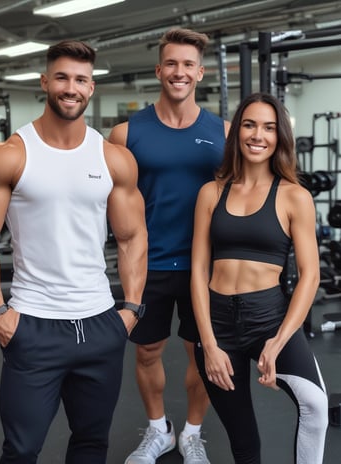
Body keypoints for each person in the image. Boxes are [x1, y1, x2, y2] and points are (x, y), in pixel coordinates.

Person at [0, 40, 148, 464]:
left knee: (91, 443)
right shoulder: (7, 155)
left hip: (102, 323)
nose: (71, 87)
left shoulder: (113, 159)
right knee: (22, 450)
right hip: (34, 327)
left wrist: (131, 309)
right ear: (45, 82)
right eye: (62, 77)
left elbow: (132, 236)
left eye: (81, 80)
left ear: (92, 87)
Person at [109, 27, 230, 464]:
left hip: (205, 265)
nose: (180, 72)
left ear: (201, 73)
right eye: (171, 64)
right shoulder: (125, 134)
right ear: (159, 70)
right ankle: (159, 430)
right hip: (149, 262)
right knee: (146, 351)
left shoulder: (225, 132)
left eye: (188, 65)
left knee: (202, 354)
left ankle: (193, 434)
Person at [190, 92, 328, 464]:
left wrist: (278, 341)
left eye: (269, 127)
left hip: (269, 317)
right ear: (236, 133)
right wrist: (209, 344)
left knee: (315, 404)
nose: (258, 135)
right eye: (249, 125)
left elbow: (310, 276)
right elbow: (199, 271)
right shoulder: (211, 193)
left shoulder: (294, 196)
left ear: (279, 137)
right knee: (243, 439)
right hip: (218, 322)